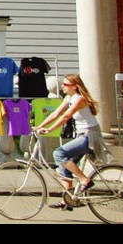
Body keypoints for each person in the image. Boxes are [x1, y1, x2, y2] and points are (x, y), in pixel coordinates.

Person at [33, 73, 106, 208]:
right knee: (64, 164)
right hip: (81, 135)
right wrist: (40, 126)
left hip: (89, 135)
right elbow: (56, 113)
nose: (62, 86)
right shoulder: (69, 97)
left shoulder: (80, 99)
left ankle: (85, 180)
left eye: (65, 84)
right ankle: (68, 200)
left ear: (75, 86)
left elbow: (66, 116)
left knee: (58, 154)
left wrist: (49, 130)